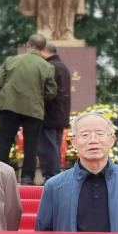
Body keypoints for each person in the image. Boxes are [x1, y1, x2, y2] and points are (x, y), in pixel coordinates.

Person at [0, 34, 57, 184]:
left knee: (4, 143)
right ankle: (27, 178)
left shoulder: (11, 60)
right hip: (33, 109)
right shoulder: (47, 67)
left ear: (28, 45)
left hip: (8, 106)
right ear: (43, 48)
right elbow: (51, 92)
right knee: (31, 145)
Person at [39, 42, 72, 180]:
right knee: (54, 146)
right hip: (60, 114)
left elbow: (49, 92)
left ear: (44, 51)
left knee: (47, 147)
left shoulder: (50, 67)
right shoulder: (62, 66)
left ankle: (51, 177)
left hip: (49, 114)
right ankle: (54, 176)